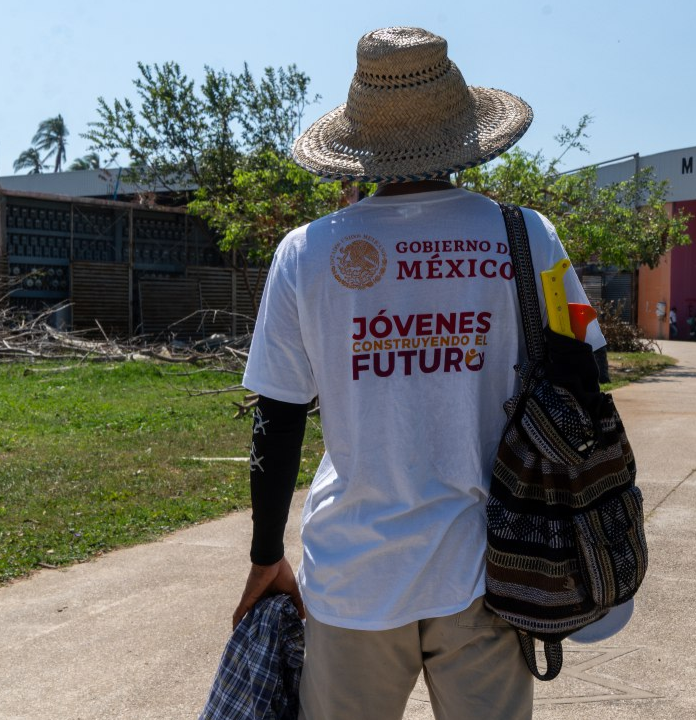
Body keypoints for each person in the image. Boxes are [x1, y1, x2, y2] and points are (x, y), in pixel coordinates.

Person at [233, 28, 606, 720]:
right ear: (465, 131)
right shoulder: (529, 237)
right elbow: (590, 369)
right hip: (493, 571)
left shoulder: (307, 253)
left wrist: (265, 558)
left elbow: (278, 418)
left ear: (361, 142)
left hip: (353, 581)